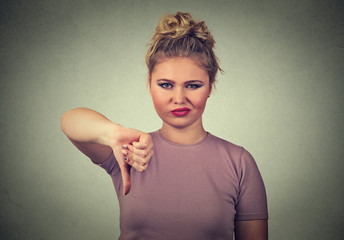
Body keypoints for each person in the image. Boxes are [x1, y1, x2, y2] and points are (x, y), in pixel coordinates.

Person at [61, 12, 268, 240]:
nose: (179, 98)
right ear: (150, 84)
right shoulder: (130, 151)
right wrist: (112, 133)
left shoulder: (239, 162)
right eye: (166, 85)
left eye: (193, 85)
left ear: (210, 87)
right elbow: (70, 120)